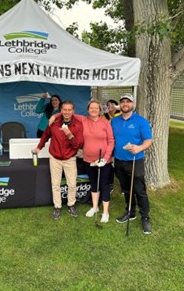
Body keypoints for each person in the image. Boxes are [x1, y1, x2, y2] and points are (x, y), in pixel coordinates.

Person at [49, 99, 115, 223]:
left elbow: (111, 141)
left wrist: (106, 158)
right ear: (88, 110)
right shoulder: (83, 120)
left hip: (103, 160)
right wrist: (55, 115)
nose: (94, 110)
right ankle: (95, 207)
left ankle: (105, 212)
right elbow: (68, 113)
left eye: (96, 108)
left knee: (104, 185)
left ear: (100, 110)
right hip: (88, 159)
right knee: (93, 183)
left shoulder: (105, 123)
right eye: (91, 108)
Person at [111, 93, 153, 235]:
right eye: (122, 102)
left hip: (135, 161)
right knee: (127, 190)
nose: (125, 104)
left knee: (139, 191)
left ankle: (145, 217)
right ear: (120, 105)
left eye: (128, 102)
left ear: (133, 104)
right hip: (119, 160)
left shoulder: (141, 121)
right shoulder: (114, 121)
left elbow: (148, 140)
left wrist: (139, 148)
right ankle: (130, 212)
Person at [35, 100, 84, 220]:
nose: (67, 112)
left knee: (72, 184)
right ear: (61, 111)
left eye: (69, 110)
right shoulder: (54, 122)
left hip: (69, 158)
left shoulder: (77, 124)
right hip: (55, 158)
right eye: (64, 110)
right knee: (55, 184)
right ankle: (57, 206)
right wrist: (39, 147)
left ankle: (71, 204)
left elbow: (78, 144)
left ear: (73, 111)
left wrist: (69, 135)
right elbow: (45, 136)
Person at [103, 99, 122, 193]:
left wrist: (117, 108)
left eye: (112, 104)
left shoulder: (120, 114)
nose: (110, 105)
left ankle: (123, 186)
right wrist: (106, 115)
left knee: (119, 166)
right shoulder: (106, 116)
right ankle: (110, 185)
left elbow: (114, 122)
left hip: (119, 144)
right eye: (108, 104)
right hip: (109, 143)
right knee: (109, 165)